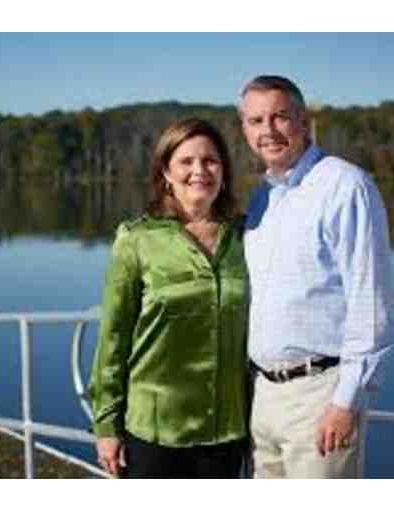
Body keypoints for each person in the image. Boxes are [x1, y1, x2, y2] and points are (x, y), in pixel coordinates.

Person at [240, 75, 394, 478]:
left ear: (304, 122)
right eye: (255, 121)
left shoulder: (344, 186)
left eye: (279, 117)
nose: (268, 131)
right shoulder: (263, 197)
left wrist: (346, 402)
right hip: (262, 398)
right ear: (244, 129)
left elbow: (370, 303)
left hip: (319, 395)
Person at [88, 118, 249, 478]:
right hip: (154, 432)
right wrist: (106, 426)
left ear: (224, 171)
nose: (199, 171)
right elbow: (113, 337)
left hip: (226, 434)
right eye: (186, 161)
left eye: (210, 161)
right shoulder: (137, 239)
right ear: (166, 172)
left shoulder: (247, 237)